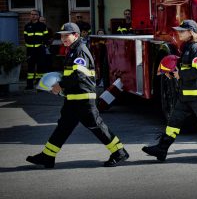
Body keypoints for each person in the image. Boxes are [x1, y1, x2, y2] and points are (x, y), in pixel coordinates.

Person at [26, 22, 129, 168]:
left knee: (96, 126)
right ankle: (47, 156)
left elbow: (79, 75)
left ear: (76, 35)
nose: (63, 39)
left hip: (83, 99)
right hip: (74, 98)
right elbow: (72, 75)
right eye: (61, 36)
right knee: (63, 127)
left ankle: (119, 152)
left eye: (66, 35)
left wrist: (60, 85)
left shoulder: (79, 50)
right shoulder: (73, 50)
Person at [142, 19, 197, 162]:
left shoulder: (195, 49)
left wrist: (180, 74)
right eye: (179, 30)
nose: (178, 33)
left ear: (190, 33)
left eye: (182, 31)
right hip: (186, 95)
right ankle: (162, 149)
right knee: (173, 121)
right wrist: (173, 72)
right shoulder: (187, 48)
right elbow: (186, 69)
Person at [23, 10, 49, 90]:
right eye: (31, 14)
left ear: (38, 16)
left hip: (40, 49)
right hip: (30, 50)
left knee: (40, 67)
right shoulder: (27, 26)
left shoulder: (42, 26)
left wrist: (43, 45)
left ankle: (39, 85)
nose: (33, 16)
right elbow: (25, 37)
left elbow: (46, 37)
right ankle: (29, 85)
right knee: (30, 67)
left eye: (35, 14)